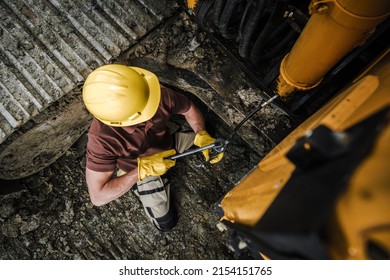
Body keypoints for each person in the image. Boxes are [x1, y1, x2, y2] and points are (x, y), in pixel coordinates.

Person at [82, 64, 223, 231]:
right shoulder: (101, 139)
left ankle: (182, 151)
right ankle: (136, 183)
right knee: (166, 223)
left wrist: (201, 132)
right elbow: (98, 197)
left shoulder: (148, 93)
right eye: (145, 110)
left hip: (168, 145)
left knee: (211, 136)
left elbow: (188, 108)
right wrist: (141, 170)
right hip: (138, 168)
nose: (153, 105)